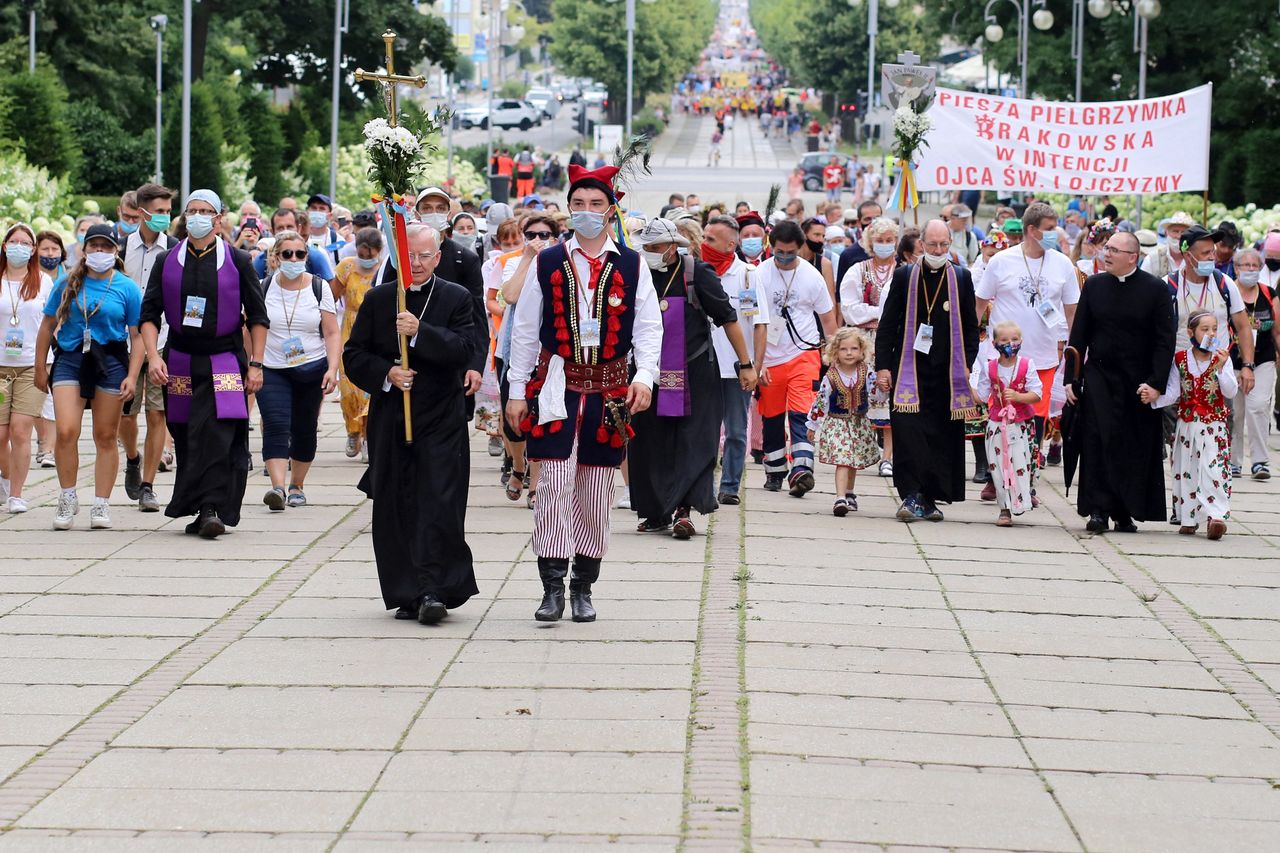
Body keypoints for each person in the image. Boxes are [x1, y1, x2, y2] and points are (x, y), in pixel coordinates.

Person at [505, 164, 661, 623]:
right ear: (568, 210)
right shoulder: (549, 260)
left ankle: (583, 586)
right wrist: (516, 390)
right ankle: (551, 587)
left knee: (595, 490)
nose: (587, 212)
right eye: (578, 205)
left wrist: (645, 377)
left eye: (596, 205)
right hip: (557, 385)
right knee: (552, 484)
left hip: (610, 389)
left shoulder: (631, 264)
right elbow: (526, 331)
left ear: (611, 211)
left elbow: (649, 327)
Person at [342, 223, 479, 625]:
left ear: (437, 258)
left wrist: (421, 333)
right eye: (408, 256)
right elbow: (354, 354)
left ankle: (435, 589)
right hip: (392, 417)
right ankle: (407, 590)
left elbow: (464, 350)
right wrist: (387, 373)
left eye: (424, 256)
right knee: (396, 502)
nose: (415, 264)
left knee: (438, 501)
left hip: (441, 417)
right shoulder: (379, 298)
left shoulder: (455, 298)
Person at [140, 189, 268, 539]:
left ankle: (213, 507)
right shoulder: (167, 261)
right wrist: (153, 356)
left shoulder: (238, 261)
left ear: (218, 218)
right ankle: (199, 507)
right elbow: (149, 315)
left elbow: (258, 316)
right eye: (191, 210)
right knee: (187, 433)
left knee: (217, 430)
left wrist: (255, 364)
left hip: (224, 360)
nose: (197, 217)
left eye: (205, 211)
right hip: (180, 361)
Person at [628, 219, 757, 538]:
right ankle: (655, 511)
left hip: (694, 372)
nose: (649, 253)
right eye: (645, 248)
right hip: (649, 373)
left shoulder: (696, 273)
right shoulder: (637, 274)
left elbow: (728, 318)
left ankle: (684, 510)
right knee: (650, 441)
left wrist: (746, 364)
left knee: (692, 441)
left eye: (655, 248)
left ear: (673, 246)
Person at [34, 224, 145, 531]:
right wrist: (40, 366)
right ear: (84, 249)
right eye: (94, 246)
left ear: (115, 251)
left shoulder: (127, 287)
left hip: (109, 360)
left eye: (106, 247)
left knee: (106, 435)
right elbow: (46, 326)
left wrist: (132, 376)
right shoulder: (68, 282)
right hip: (71, 358)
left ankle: (101, 503)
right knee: (67, 430)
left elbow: (136, 338)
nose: (99, 252)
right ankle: (67, 496)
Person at [1065, 230, 1175, 533]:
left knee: (1131, 446)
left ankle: (1124, 511)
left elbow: (1164, 342)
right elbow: (1079, 336)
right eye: (1106, 248)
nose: (1106, 253)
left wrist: (1156, 384)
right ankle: (1098, 509)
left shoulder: (1156, 290)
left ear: (1132, 257)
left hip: (1137, 382)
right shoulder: (1094, 286)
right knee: (1096, 441)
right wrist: (1070, 379)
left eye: (1114, 249)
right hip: (1099, 376)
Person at [874, 220, 981, 522]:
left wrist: (968, 364)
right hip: (909, 369)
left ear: (950, 244)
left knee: (940, 436)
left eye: (943, 245)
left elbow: (972, 328)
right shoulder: (905, 275)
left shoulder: (961, 277)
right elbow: (888, 324)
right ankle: (911, 494)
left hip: (947, 372)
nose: (937, 250)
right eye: (932, 245)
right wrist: (883, 365)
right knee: (909, 435)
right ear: (920, 243)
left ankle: (929, 497)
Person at [975, 201, 1079, 498]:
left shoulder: (1062, 265)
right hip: (1004, 359)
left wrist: (1076, 349)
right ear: (1031, 230)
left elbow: (1072, 311)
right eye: (1048, 230)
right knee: (1001, 418)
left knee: (1033, 422)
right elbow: (980, 303)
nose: (1053, 235)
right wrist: (973, 342)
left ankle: (1027, 480)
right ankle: (997, 476)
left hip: (1044, 358)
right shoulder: (1002, 261)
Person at [257, 232, 341, 510]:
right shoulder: (263, 287)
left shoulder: (319, 287)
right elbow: (251, 330)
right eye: (287, 254)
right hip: (272, 367)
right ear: (275, 258)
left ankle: (297, 485)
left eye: (300, 254)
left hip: (312, 367)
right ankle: (278, 488)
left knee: (305, 428)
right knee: (276, 424)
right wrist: (252, 364)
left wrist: (332, 368)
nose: (294, 259)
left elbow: (331, 332)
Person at [756, 220, 838, 497]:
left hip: (804, 353)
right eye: (779, 252)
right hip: (768, 357)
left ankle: (802, 469)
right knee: (772, 416)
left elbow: (828, 319)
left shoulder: (811, 276)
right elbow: (750, 320)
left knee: (801, 412)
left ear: (800, 248)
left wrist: (836, 356)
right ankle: (775, 469)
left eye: (790, 253)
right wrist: (757, 363)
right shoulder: (759, 274)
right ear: (771, 247)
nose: (784, 258)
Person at [399, 187, 487, 419]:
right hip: (408, 361)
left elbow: (477, 318)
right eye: (427, 208)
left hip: (451, 357)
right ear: (416, 213)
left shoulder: (465, 259)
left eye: (440, 208)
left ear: (449, 213)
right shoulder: (399, 256)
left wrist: (476, 365)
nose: (433, 213)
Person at [1148, 310, 1236, 540]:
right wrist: (1153, 398)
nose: (1211, 334)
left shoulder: (1221, 359)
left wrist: (1220, 368)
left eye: (1214, 329)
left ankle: (1215, 517)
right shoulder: (1179, 360)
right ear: (1191, 333)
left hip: (1214, 425)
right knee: (1188, 470)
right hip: (1187, 425)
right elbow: (1173, 393)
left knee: (1212, 469)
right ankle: (1188, 517)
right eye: (1205, 329)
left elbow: (1230, 391)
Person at [702, 214, 770, 505]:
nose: (704, 244)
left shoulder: (747, 275)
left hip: (736, 367)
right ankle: (701, 484)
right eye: (703, 238)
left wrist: (755, 365)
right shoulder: (696, 271)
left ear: (731, 244)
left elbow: (760, 324)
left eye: (711, 240)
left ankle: (729, 486)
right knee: (702, 430)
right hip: (702, 364)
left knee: (736, 430)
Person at [118, 183, 177, 513]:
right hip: (124, 344)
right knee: (125, 415)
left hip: (163, 342)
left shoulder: (174, 250)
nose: (164, 217)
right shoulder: (121, 247)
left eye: (168, 211)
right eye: (159, 211)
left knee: (158, 414)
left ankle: (148, 485)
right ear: (142, 212)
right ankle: (132, 458)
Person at [838, 217, 899, 476]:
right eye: (880, 241)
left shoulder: (904, 270)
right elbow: (851, 309)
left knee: (891, 398)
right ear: (870, 243)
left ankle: (889, 456)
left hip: (894, 342)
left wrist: (877, 314)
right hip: (863, 343)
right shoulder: (858, 270)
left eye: (889, 240)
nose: (885, 245)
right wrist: (882, 312)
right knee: (859, 396)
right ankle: (858, 451)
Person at [0, 224, 54, 512]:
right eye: (13, 241)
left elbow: (53, 321)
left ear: (33, 250)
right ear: (5, 245)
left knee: (21, 431)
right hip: (0, 368)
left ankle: (17, 494)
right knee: (1, 435)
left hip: (31, 367)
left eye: (25, 243)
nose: (18, 247)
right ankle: (6, 478)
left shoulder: (43, 282)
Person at [1165, 225, 1255, 394]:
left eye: (1212, 252)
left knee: (1223, 420)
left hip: (1219, 373)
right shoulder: (1167, 287)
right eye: (1205, 254)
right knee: (1180, 420)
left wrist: (1247, 365)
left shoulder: (1225, 283)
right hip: (1179, 377)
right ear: (1187, 255)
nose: (1212, 258)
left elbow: (1243, 326)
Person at [971, 321, 1042, 527]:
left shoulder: (1027, 365)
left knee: (1021, 464)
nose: (1009, 344)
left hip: (1020, 424)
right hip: (996, 423)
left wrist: (1019, 397)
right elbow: (983, 395)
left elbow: (1037, 393)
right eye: (1004, 340)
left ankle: (1021, 498)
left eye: (1014, 339)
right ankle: (1004, 509)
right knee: (998, 467)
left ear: (1021, 341)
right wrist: (965, 384)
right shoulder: (990, 367)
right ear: (994, 343)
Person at [805, 327, 878, 516]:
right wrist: (813, 424)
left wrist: (882, 389)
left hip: (858, 424)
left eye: (854, 349)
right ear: (835, 351)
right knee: (843, 461)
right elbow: (821, 400)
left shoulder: (866, 372)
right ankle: (840, 497)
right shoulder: (831, 376)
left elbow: (874, 394)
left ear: (862, 351)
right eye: (844, 349)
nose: (849, 353)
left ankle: (849, 492)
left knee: (853, 462)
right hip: (837, 425)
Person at [334, 227, 383, 462]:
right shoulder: (347, 267)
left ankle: (368, 436)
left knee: (368, 393)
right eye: (361, 254)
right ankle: (353, 431)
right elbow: (330, 295)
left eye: (369, 255)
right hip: (350, 331)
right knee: (347, 390)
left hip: (375, 334)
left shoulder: (385, 267)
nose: (365, 259)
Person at [1227, 247, 1277, 480]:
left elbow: (1277, 331)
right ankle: (1234, 462)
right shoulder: (1227, 290)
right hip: (1232, 360)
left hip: (1263, 359)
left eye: (1254, 266)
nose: (1250, 270)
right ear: (1236, 268)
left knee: (1258, 407)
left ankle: (1259, 461)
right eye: (1245, 266)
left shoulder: (1268, 293)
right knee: (1235, 412)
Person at [254, 209, 334, 282]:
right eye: (280, 228)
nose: (286, 231)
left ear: (298, 228)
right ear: (272, 231)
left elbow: (330, 292)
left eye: (289, 227)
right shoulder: (262, 259)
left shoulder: (316, 256)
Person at [834, 200, 883, 287]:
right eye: (868, 219)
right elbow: (840, 292)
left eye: (877, 218)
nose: (873, 223)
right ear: (859, 222)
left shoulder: (892, 251)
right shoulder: (848, 254)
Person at [303, 194, 341, 269]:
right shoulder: (299, 238)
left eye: (322, 208)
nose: (317, 211)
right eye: (313, 208)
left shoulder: (338, 240)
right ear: (307, 212)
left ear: (329, 216)